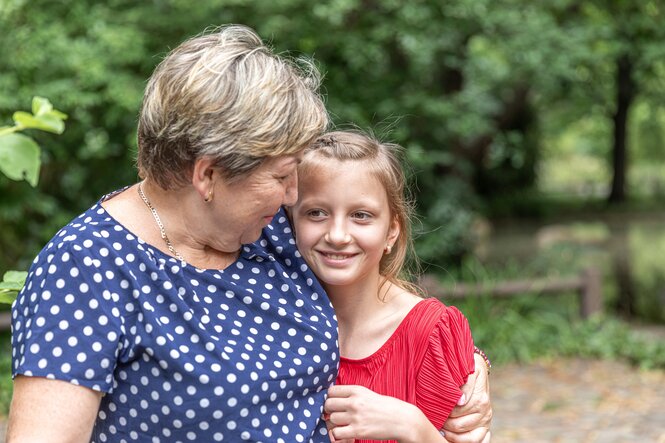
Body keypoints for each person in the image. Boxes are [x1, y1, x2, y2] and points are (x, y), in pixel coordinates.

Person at [8, 25, 490, 443]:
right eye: (282, 177)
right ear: (208, 176)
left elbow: (367, 288)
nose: (293, 194)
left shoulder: (264, 228)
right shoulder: (88, 268)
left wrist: (465, 364)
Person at [291, 130, 492, 443]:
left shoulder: (429, 333)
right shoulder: (273, 316)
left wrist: (412, 426)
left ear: (391, 231)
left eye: (361, 215)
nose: (338, 234)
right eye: (316, 213)